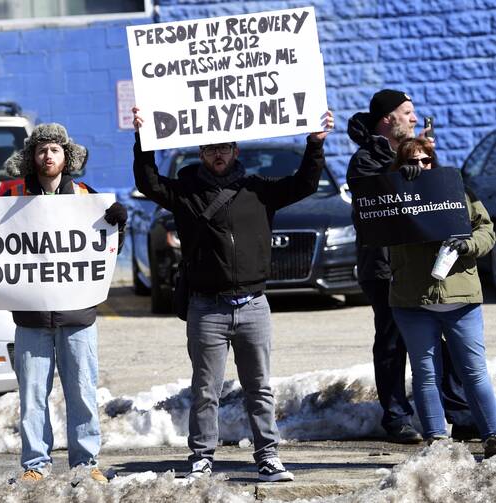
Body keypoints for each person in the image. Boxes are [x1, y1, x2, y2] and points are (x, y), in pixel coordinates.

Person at [132, 106, 333, 482]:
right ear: (201, 154)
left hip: (254, 305)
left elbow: (303, 184)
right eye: (210, 148)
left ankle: (268, 457)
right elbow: (148, 183)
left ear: (236, 149)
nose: (218, 154)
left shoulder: (258, 190)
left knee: (260, 388)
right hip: (207, 308)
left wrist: (315, 144)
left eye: (224, 146)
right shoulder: (187, 193)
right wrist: (143, 139)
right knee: (205, 390)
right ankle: (201, 458)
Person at [0, 123, 127, 484]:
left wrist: (119, 225)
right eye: (41, 150)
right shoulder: (12, 203)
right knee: (33, 396)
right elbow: (0, 254)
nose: (48, 156)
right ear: (30, 157)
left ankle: (86, 463)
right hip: (31, 319)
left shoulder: (87, 197)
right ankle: (35, 465)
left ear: (66, 155)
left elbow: (106, 252)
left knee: (83, 392)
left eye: (54, 149)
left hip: (78, 317)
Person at [346, 89, 477, 443]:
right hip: (385, 267)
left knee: (444, 338)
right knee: (392, 342)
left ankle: (459, 413)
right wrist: (406, 174)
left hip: (422, 263)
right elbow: (377, 201)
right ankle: (396, 417)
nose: (414, 118)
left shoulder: (416, 153)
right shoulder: (365, 160)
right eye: (407, 112)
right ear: (388, 118)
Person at [388, 137, 496, 459]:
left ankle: (492, 436)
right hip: (413, 301)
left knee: (473, 370)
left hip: (460, 297)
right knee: (425, 372)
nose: (420, 167)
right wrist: (397, 189)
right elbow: (369, 222)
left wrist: (468, 245)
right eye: (412, 161)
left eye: (425, 160)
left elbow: (486, 230)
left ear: (433, 161)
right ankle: (437, 442)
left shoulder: (456, 192)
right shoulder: (392, 197)